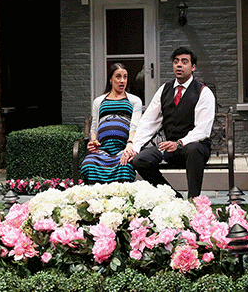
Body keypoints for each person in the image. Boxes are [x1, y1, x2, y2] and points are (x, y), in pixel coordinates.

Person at [126, 47, 215, 199]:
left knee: (193, 149)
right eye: (176, 62)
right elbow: (148, 121)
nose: (179, 65)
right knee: (140, 160)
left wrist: (180, 143)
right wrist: (134, 147)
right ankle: (172, 197)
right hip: (171, 148)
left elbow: (203, 130)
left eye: (184, 62)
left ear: (193, 67)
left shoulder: (203, 92)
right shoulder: (164, 90)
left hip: (196, 147)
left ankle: (194, 200)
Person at [80, 63, 143, 183]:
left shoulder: (134, 101)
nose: (122, 81)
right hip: (102, 151)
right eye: (118, 77)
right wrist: (93, 142)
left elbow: (135, 126)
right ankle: (98, 198)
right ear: (110, 79)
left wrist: (130, 144)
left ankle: (119, 199)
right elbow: (94, 127)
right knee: (88, 164)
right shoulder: (99, 101)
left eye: (125, 77)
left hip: (123, 150)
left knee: (125, 168)